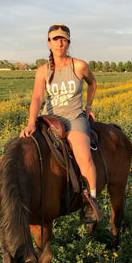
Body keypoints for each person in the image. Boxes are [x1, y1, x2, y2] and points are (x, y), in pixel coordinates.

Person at [20, 24, 103, 223]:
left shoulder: (79, 66)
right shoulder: (42, 71)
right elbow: (37, 98)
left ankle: (90, 203)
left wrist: (89, 107)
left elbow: (93, 83)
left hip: (74, 118)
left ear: (68, 42)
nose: (59, 42)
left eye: (63, 39)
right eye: (55, 39)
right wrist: (31, 123)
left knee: (84, 157)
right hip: (50, 119)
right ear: (48, 42)